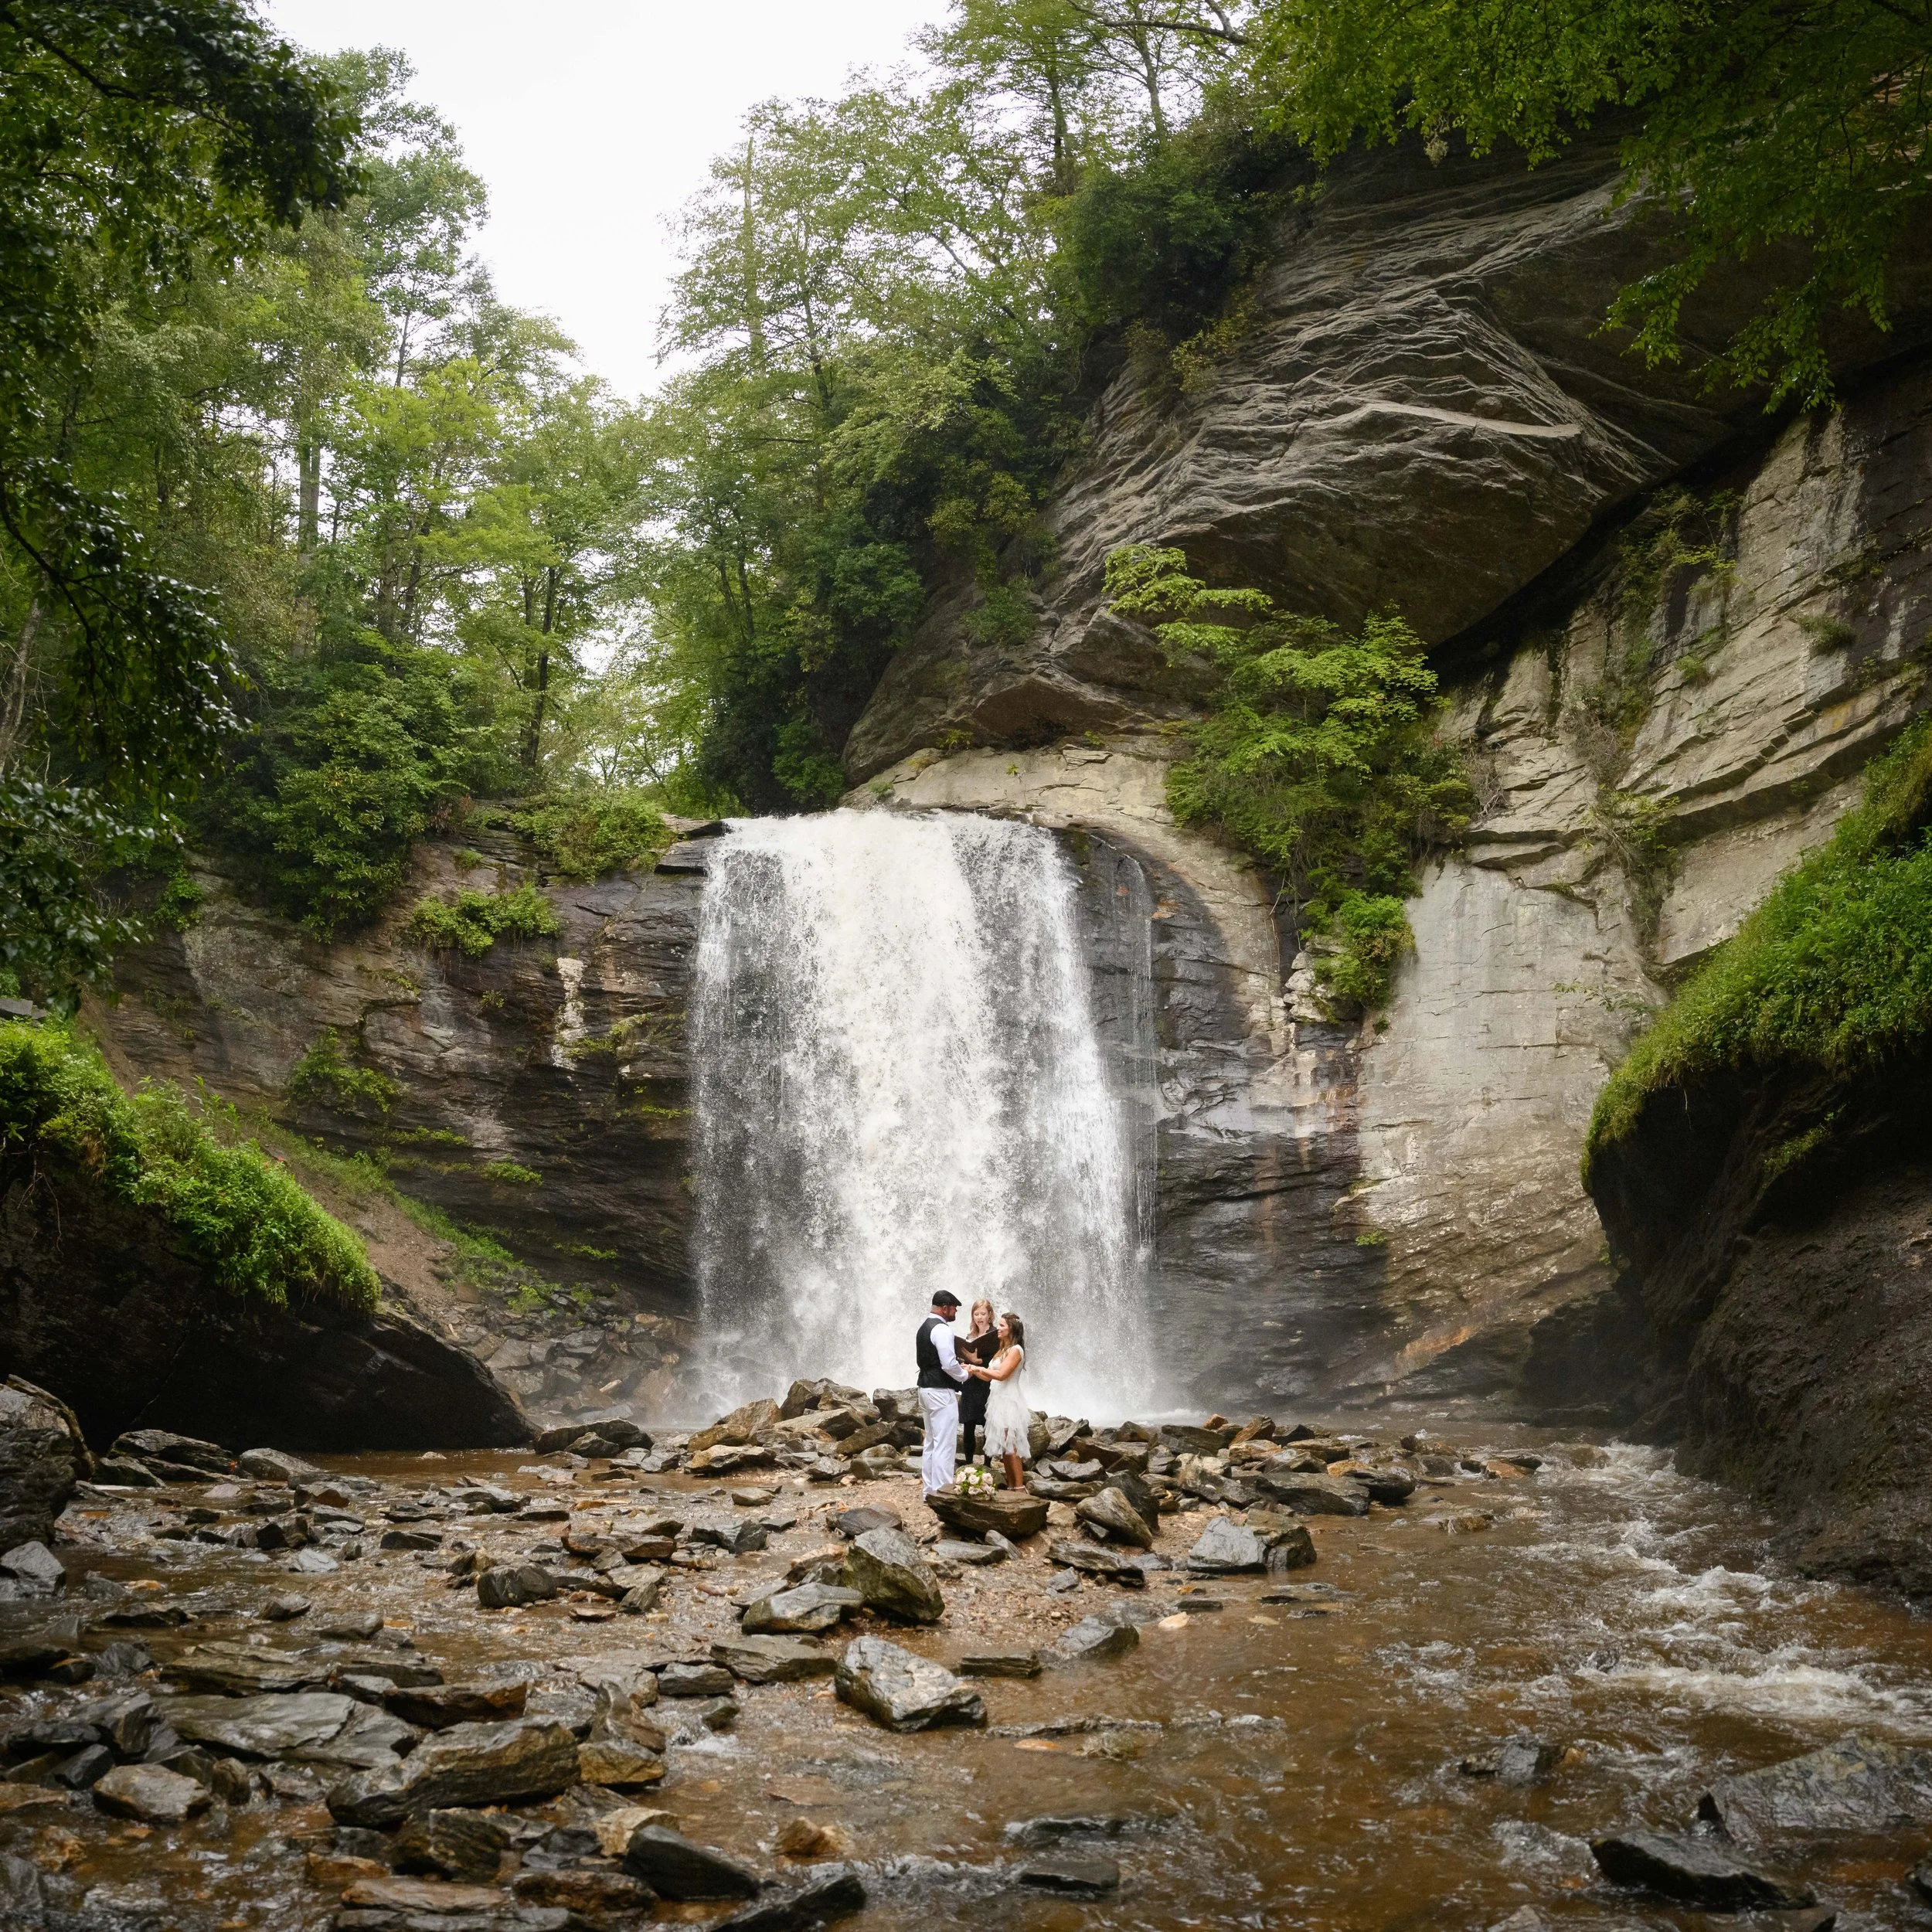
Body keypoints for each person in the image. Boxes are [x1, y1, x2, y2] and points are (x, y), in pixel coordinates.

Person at [915, 1289, 969, 1498]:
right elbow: (948, 1364)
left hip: (925, 1390)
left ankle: (929, 1492)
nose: (956, 1311)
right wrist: (965, 1374)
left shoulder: (923, 1328)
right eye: (954, 1307)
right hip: (940, 1392)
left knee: (930, 1443)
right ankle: (943, 1493)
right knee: (945, 1444)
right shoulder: (942, 1329)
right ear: (945, 1308)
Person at [970, 1312, 1031, 1492]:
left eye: (1002, 1325)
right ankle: (1011, 1485)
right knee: (1005, 1447)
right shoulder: (1002, 1350)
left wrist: (978, 1367)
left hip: (1009, 1401)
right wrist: (972, 1369)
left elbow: (1002, 1375)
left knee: (1011, 1444)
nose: (998, 1328)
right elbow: (989, 1379)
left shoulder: (1016, 1350)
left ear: (1011, 1329)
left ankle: (1019, 1487)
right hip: (997, 1400)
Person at [956, 1298, 998, 1465]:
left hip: (987, 1385)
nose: (979, 1317)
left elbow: (998, 1362)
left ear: (990, 1315)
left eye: (983, 1314)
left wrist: (977, 1361)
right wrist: (964, 1363)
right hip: (971, 1385)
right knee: (968, 1426)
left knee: (987, 1425)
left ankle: (987, 1464)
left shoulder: (995, 1334)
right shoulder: (970, 1336)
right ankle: (968, 1464)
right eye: (976, 1314)